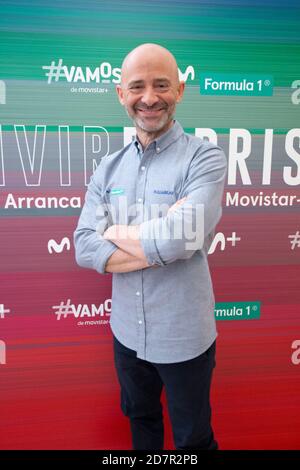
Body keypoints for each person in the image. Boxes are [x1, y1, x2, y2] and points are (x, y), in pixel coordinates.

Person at [74, 43, 227, 450]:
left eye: (161, 85)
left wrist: (115, 232)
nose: (149, 97)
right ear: (120, 93)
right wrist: (163, 236)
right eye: (137, 86)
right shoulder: (107, 168)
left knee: (194, 440)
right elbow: (84, 245)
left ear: (179, 90)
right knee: (142, 425)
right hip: (126, 337)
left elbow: (185, 237)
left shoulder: (204, 158)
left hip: (185, 338)